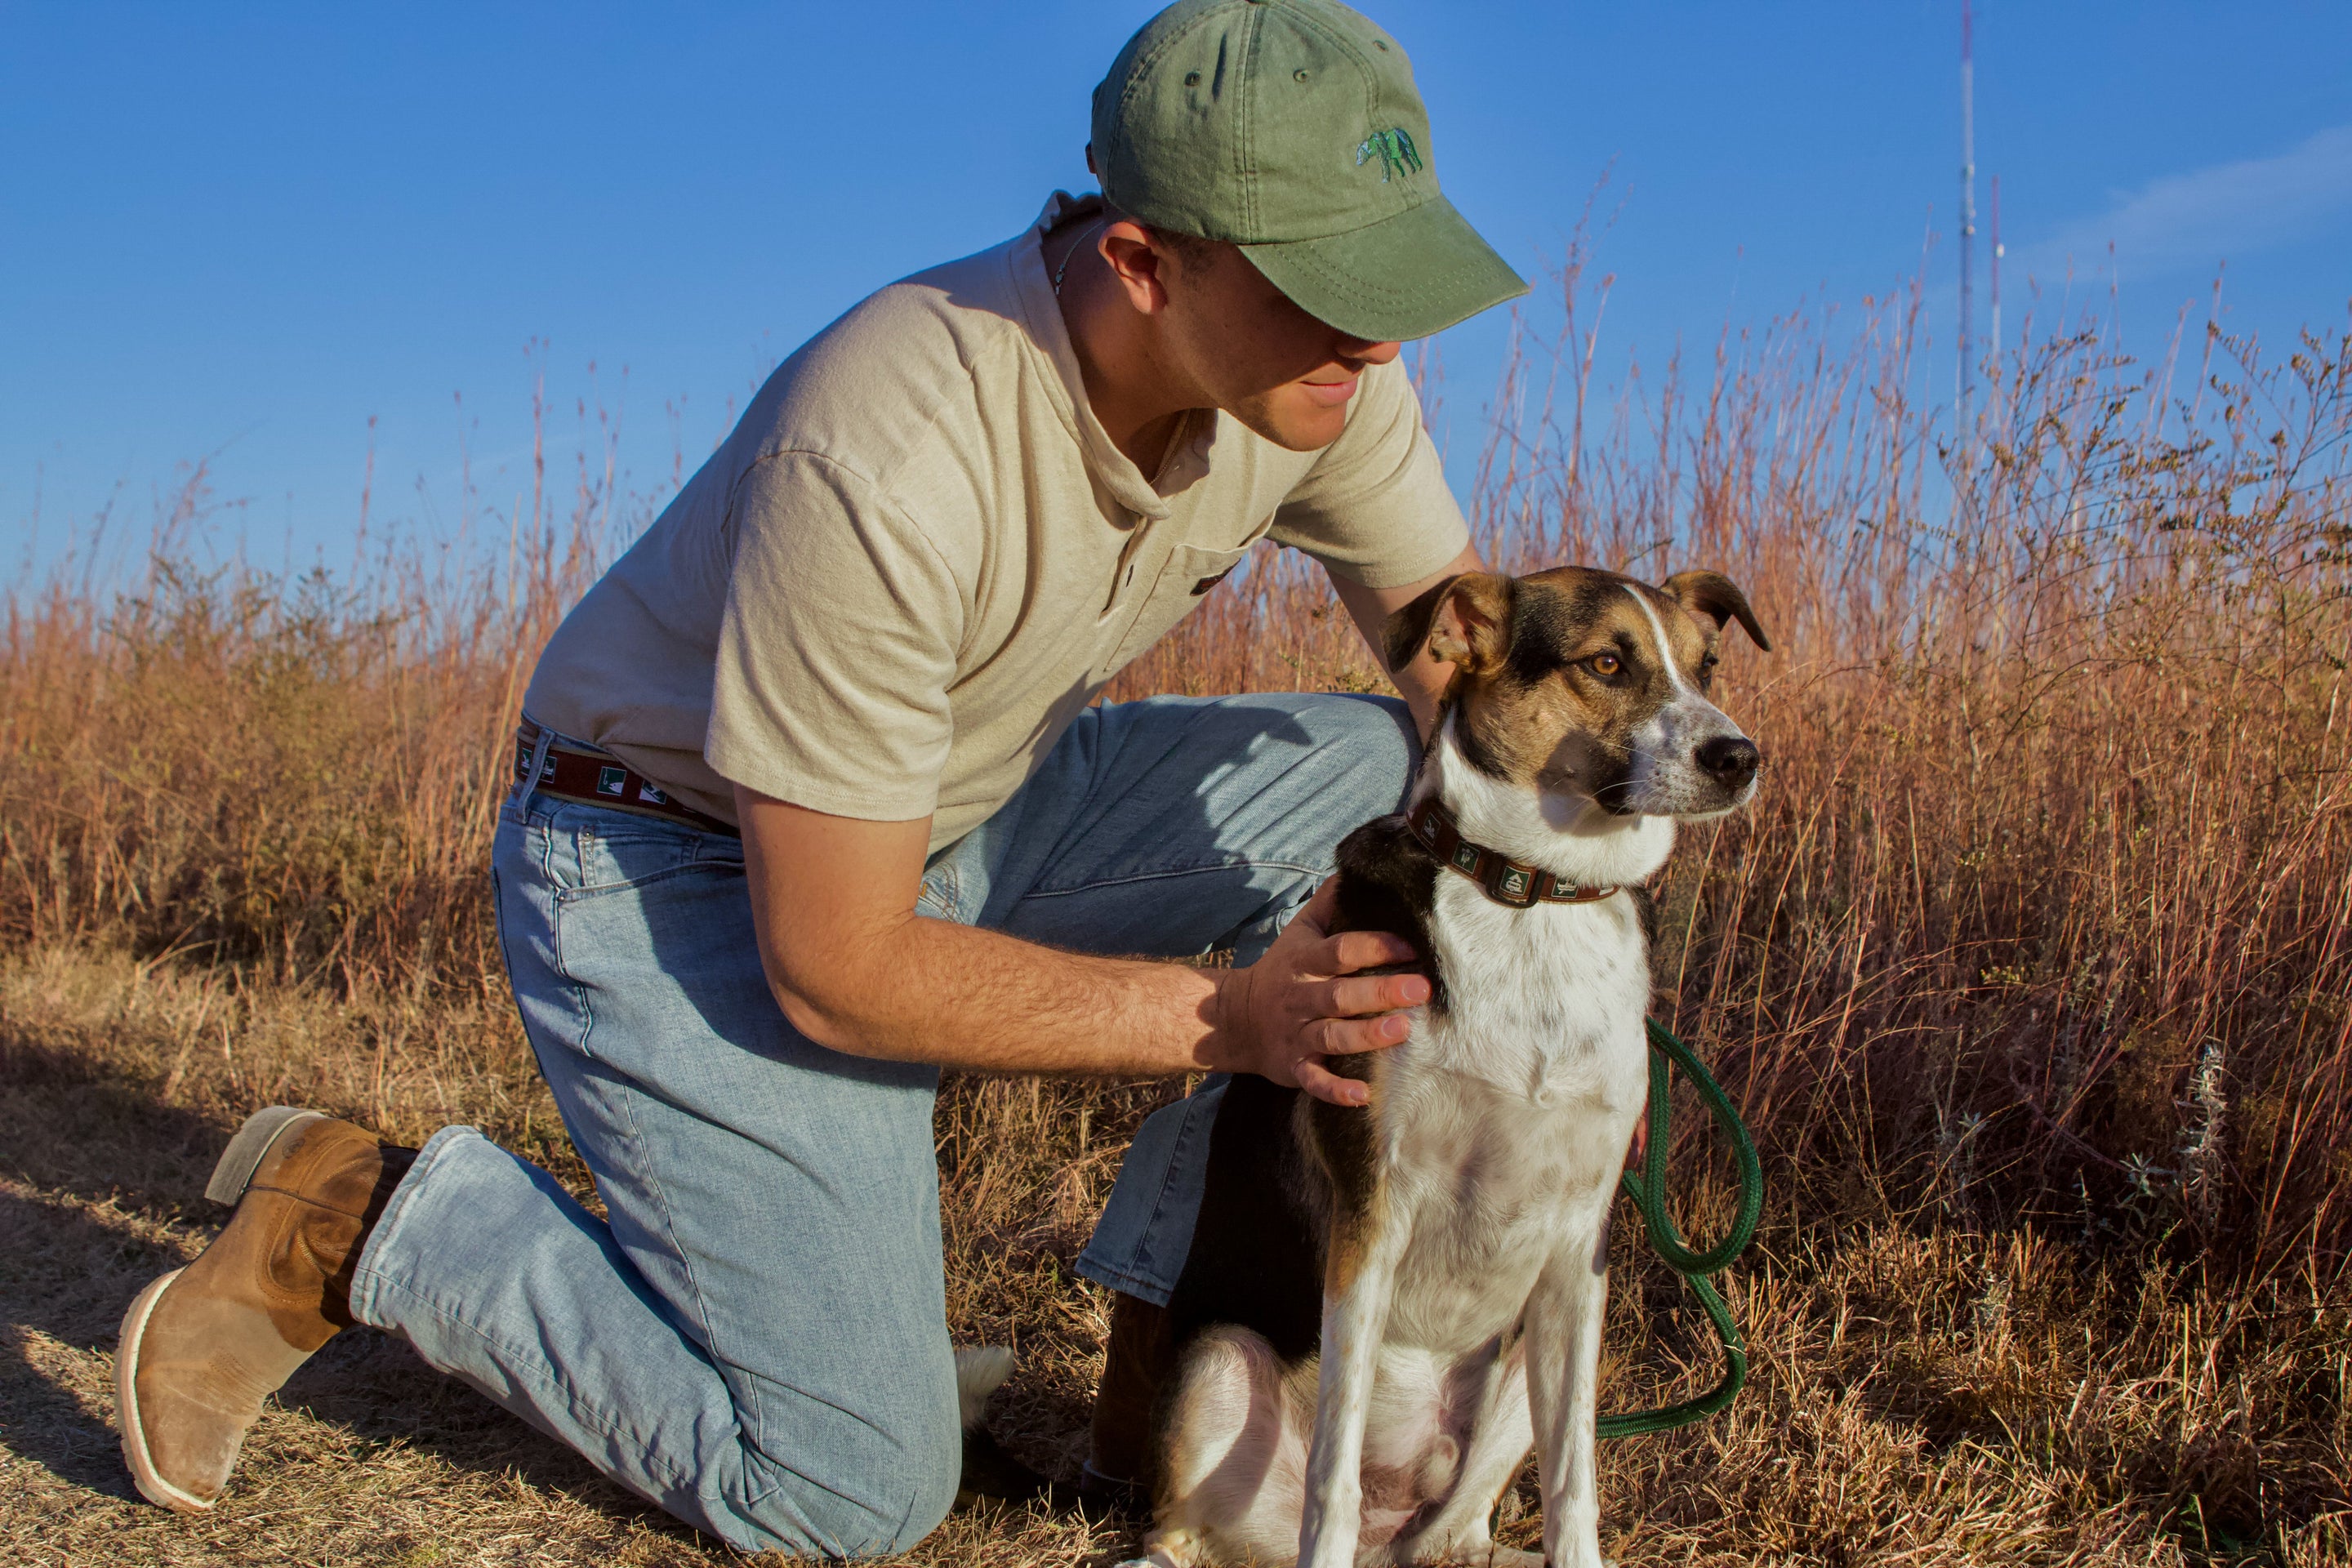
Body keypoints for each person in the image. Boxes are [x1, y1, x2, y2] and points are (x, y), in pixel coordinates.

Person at [112, 0, 1526, 1554]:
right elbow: (838, 965)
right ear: (1143, 263)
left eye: (1390, 276)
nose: (1381, 338)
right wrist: (1237, 1018)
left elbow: (1480, 699)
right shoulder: (887, 444)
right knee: (848, 1490)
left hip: (972, 806)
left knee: (1392, 768)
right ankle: (373, 1215)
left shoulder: (1313, 380)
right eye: (1330, 288)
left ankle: (1167, 1350)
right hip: (675, 862)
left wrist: (1564, 944)